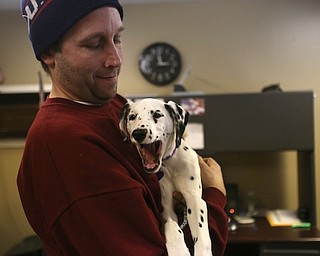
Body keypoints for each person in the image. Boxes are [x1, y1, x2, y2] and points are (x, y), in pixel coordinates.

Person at [17, 0, 228, 255]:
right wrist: (215, 194)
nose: (115, 60)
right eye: (94, 44)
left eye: (117, 38)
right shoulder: (64, 143)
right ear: (49, 53)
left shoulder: (114, 106)